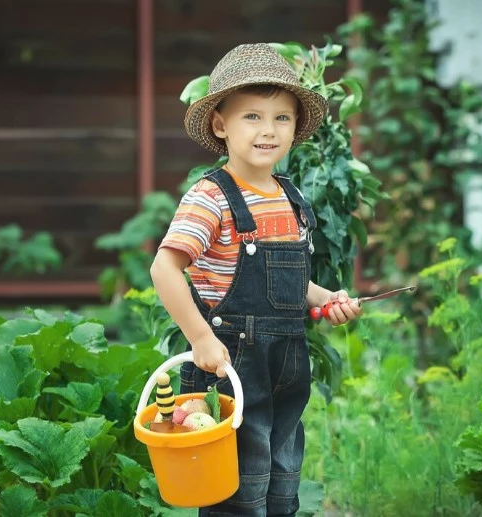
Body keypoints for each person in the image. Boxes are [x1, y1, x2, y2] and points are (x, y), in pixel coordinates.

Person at [149, 43, 363, 516]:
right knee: (238, 487)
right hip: (230, 362)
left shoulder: (289, 196)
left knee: (281, 477)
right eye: (252, 117)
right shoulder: (211, 197)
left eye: (281, 118)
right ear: (221, 125)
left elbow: (288, 282)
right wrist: (201, 339)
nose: (268, 130)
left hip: (286, 364)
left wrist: (326, 300)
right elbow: (164, 268)